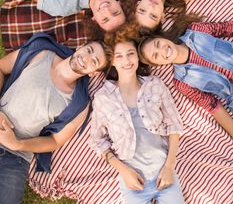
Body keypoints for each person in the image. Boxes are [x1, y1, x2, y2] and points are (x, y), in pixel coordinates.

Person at [0, 32, 111, 204]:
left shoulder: (79, 104)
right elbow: (1, 68)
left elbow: (55, 141)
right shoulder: (41, 53)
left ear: (94, 73)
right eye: (89, 50)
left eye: (94, 61)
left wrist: (17, 144)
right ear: (81, 46)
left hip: (15, 157)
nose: (86, 59)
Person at [90, 23, 184, 204]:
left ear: (138, 57)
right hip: (132, 180)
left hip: (163, 173)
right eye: (119, 56)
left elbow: (174, 125)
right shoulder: (103, 98)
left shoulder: (155, 85)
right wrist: (124, 171)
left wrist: (169, 167)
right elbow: (97, 140)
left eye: (130, 54)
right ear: (113, 61)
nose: (126, 61)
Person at [138, 20, 233, 138]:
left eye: (158, 44)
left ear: (161, 38)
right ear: (158, 64)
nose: (162, 50)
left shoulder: (196, 30)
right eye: (156, 56)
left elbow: (228, 28)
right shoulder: (182, 83)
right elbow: (213, 106)